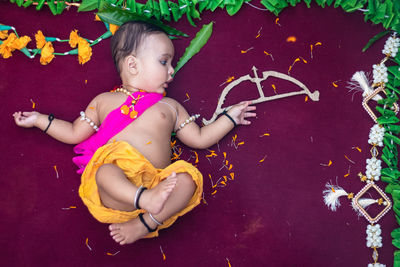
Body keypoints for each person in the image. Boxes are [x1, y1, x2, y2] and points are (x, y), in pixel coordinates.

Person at [13, 21, 256, 245]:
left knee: (189, 179)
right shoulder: (104, 101)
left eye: (171, 63)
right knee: (104, 171)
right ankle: (144, 200)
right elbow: (75, 132)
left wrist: (229, 119)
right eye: (164, 62)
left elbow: (200, 139)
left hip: (157, 184)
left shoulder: (170, 107)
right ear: (132, 64)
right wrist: (39, 120)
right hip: (120, 190)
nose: (172, 71)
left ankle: (145, 223)